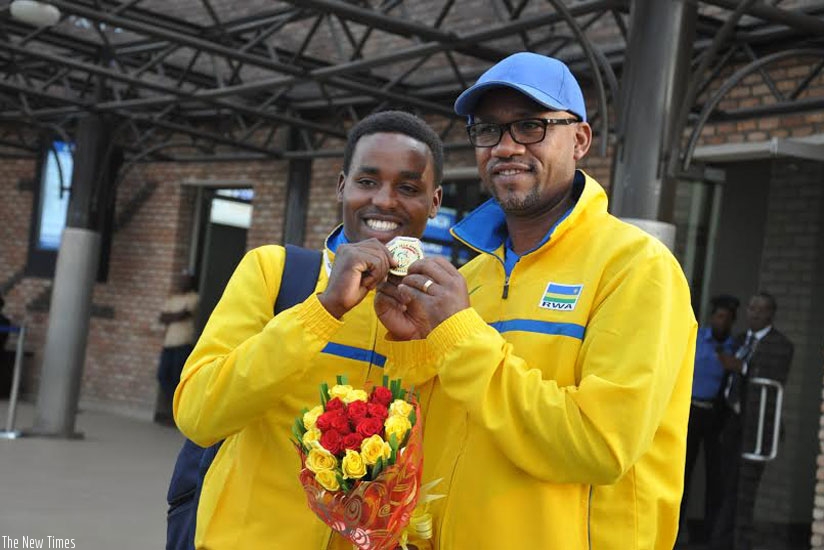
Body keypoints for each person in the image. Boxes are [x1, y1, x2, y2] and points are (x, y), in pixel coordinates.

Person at [374, 52, 697, 549]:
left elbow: (598, 444)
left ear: (580, 140)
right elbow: (441, 431)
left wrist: (460, 336)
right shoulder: (470, 278)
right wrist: (409, 345)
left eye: (529, 126)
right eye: (488, 130)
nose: (505, 147)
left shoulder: (636, 268)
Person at [173, 110, 443, 549]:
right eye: (367, 181)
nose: (386, 201)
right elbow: (199, 416)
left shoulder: (440, 307)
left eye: (409, 188)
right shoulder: (275, 271)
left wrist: (415, 344)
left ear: (434, 201)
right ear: (342, 186)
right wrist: (325, 309)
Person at [712, 292, 793, 550]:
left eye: (760, 309)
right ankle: (721, 541)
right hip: (731, 423)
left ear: (770, 314)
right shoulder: (739, 340)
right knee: (728, 488)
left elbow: (773, 377)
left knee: (744, 493)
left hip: (756, 428)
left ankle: (735, 543)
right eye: (751, 308)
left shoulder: (780, 344)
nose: (753, 313)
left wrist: (741, 367)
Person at [680, 294, 739, 543]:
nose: (721, 322)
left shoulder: (735, 347)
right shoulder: (696, 338)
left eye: (726, 318)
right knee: (683, 472)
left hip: (716, 416)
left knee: (715, 476)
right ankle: (676, 530)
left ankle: (709, 534)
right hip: (691, 411)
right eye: (718, 316)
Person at [155, 272, 199, 424]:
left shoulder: (193, 297)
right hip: (169, 343)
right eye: (181, 280)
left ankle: (178, 416)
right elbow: (162, 318)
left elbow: (183, 315)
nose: (182, 283)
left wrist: (171, 316)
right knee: (162, 376)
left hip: (183, 343)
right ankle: (174, 411)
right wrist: (174, 315)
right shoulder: (173, 298)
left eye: (186, 280)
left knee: (177, 380)